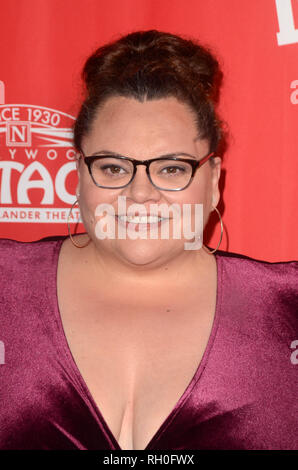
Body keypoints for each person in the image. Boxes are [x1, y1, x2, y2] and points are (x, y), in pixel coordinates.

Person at [0, 30, 297, 451]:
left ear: (212, 182)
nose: (140, 193)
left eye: (172, 169)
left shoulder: (288, 308)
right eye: (114, 168)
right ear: (80, 175)